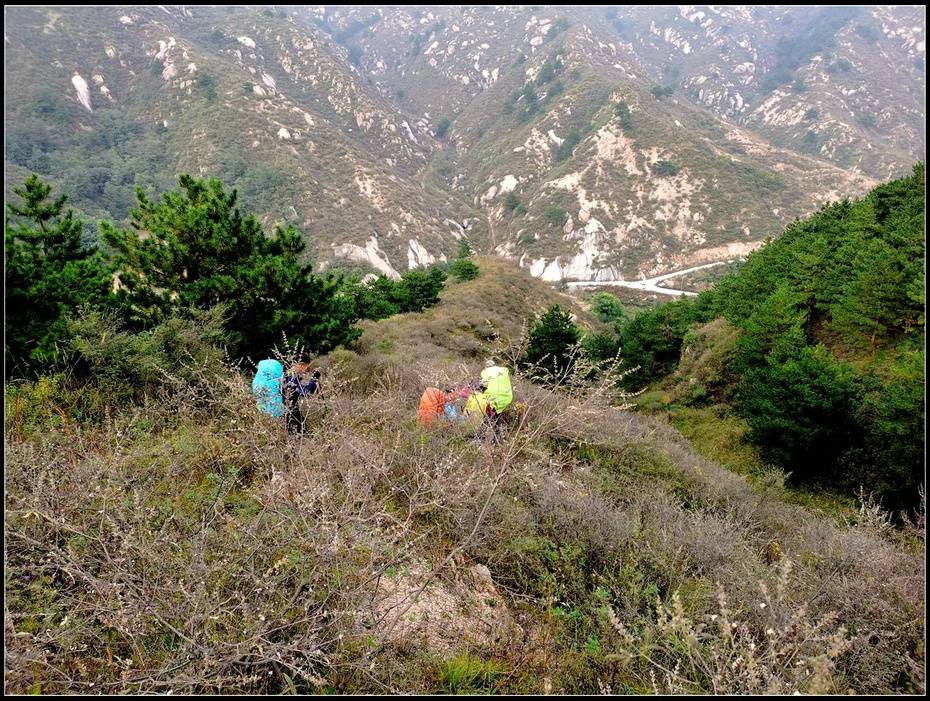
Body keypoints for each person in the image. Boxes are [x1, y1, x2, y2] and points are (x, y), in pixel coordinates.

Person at [283, 364, 322, 435]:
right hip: (291, 411)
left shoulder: (286, 374)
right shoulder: (292, 376)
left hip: (286, 410)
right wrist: (314, 380)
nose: (305, 369)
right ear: (301, 364)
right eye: (306, 366)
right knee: (301, 434)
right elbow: (304, 392)